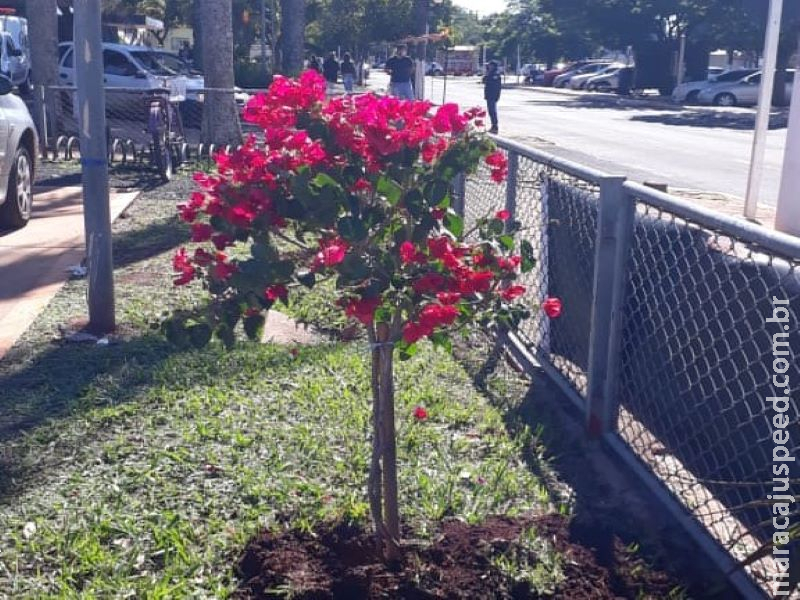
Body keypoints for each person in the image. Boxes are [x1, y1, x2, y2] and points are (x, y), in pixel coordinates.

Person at [483, 60, 502, 134]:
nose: (488, 67)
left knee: (492, 111)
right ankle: (493, 125)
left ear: (493, 66)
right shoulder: (490, 73)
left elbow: (495, 85)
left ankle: (495, 126)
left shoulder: (495, 74)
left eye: (490, 65)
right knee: (491, 111)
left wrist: (497, 96)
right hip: (489, 95)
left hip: (492, 95)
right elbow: (484, 80)